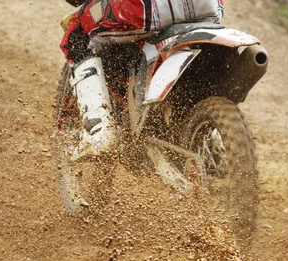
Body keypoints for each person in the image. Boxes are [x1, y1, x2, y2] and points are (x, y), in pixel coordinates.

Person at [60, 0, 225, 160]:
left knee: (76, 34)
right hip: (208, 7)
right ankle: (211, 134)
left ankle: (98, 130)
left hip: (150, 10)